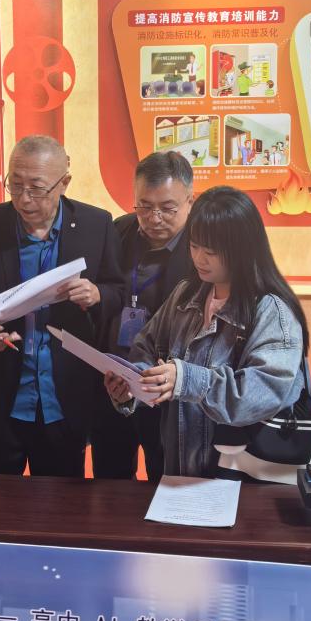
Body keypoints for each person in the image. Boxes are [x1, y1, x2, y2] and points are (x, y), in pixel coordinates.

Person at [104, 186, 311, 480]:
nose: (199, 258)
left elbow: (261, 393)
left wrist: (187, 379)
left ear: (242, 250)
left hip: (242, 479)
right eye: (194, 246)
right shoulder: (186, 294)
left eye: (211, 252)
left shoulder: (271, 312)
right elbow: (146, 348)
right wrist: (132, 384)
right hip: (181, 470)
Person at [0, 135, 125, 477]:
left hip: (63, 393)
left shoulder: (96, 225)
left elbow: (117, 289)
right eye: (15, 185)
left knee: (60, 500)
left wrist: (97, 294)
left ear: (64, 183)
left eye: (37, 188)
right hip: (2, 393)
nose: (24, 199)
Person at [93, 152, 196, 481]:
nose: (154, 218)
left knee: (163, 483)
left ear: (190, 201)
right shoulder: (118, 231)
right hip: (113, 382)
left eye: (167, 208)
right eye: (144, 206)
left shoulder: (203, 248)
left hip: (165, 391)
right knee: (110, 485)